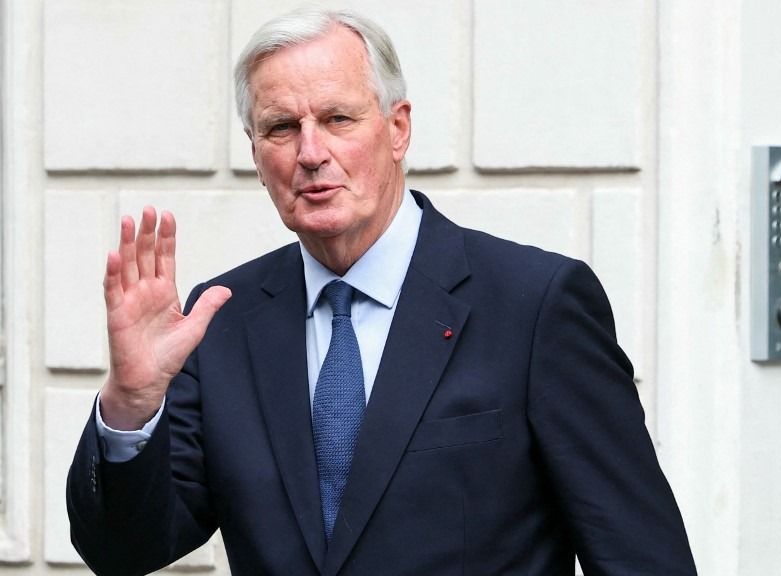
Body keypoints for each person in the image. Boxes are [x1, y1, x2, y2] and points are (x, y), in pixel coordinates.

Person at [66, 6, 698, 575]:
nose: (310, 152)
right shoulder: (220, 320)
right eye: (281, 128)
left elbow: (639, 554)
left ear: (398, 129)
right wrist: (131, 403)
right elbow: (125, 553)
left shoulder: (535, 306)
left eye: (338, 118)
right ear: (256, 155)